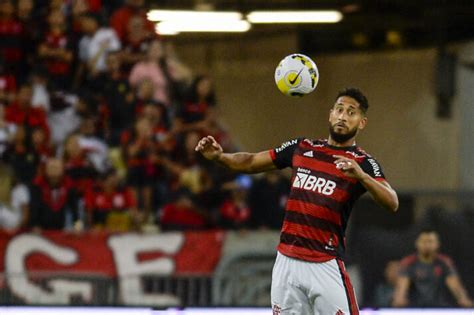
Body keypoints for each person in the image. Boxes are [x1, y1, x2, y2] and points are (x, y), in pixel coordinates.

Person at [195, 87, 399, 314]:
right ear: (330, 114)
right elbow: (251, 161)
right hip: (287, 263)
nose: (343, 116)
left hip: (325, 264)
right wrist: (220, 157)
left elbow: (392, 201)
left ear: (362, 122)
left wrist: (361, 176)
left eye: (351, 112)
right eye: (339, 110)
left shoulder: (363, 162)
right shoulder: (302, 148)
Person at [392, 229, 473, 308]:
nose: (427, 245)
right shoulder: (408, 263)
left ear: (437, 244)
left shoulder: (444, 262)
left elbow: (455, 286)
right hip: (416, 308)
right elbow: (402, 287)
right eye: (423, 241)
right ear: (417, 243)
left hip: (440, 308)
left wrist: (463, 299)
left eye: (430, 241)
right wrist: (399, 299)